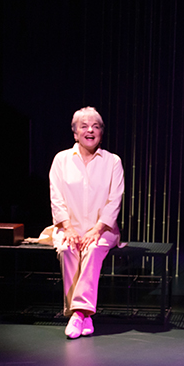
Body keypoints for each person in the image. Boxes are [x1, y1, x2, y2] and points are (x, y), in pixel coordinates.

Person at [48, 106, 124, 339]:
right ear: (75, 133)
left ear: (101, 132)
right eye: (84, 126)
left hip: (104, 229)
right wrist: (69, 228)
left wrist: (97, 228)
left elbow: (115, 200)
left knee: (93, 248)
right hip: (67, 228)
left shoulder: (112, 161)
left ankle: (76, 313)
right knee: (66, 247)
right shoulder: (61, 159)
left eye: (96, 126)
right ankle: (85, 316)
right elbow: (56, 197)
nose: (90, 130)